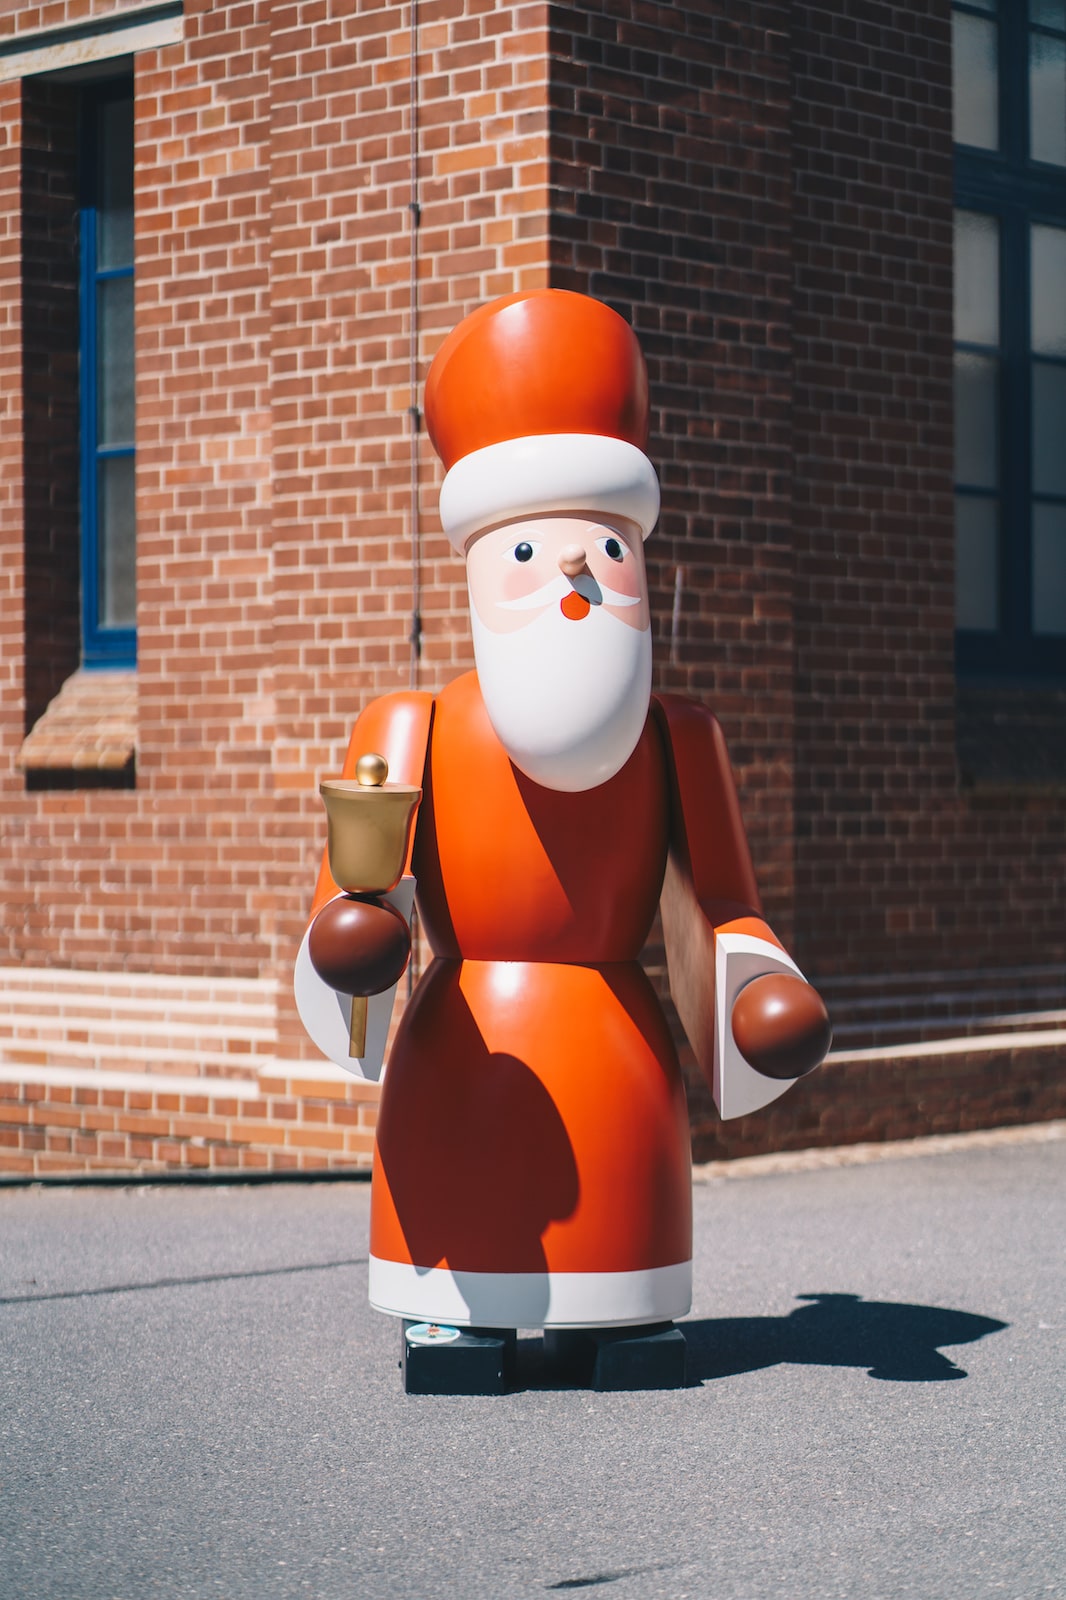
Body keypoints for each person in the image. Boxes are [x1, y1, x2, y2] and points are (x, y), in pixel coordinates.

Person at [295, 290, 831, 1392]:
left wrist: (754, 993)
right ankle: (455, 1317)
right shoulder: (413, 728)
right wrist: (355, 933)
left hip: (617, 1046)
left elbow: (719, 905)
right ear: (482, 566)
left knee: (622, 1280)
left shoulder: (680, 739)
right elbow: (356, 897)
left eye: (604, 545)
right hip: (467, 1048)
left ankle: (620, 1311)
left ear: (635, 557)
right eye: (534, 546)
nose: (576, 575)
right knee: (462, 1259)